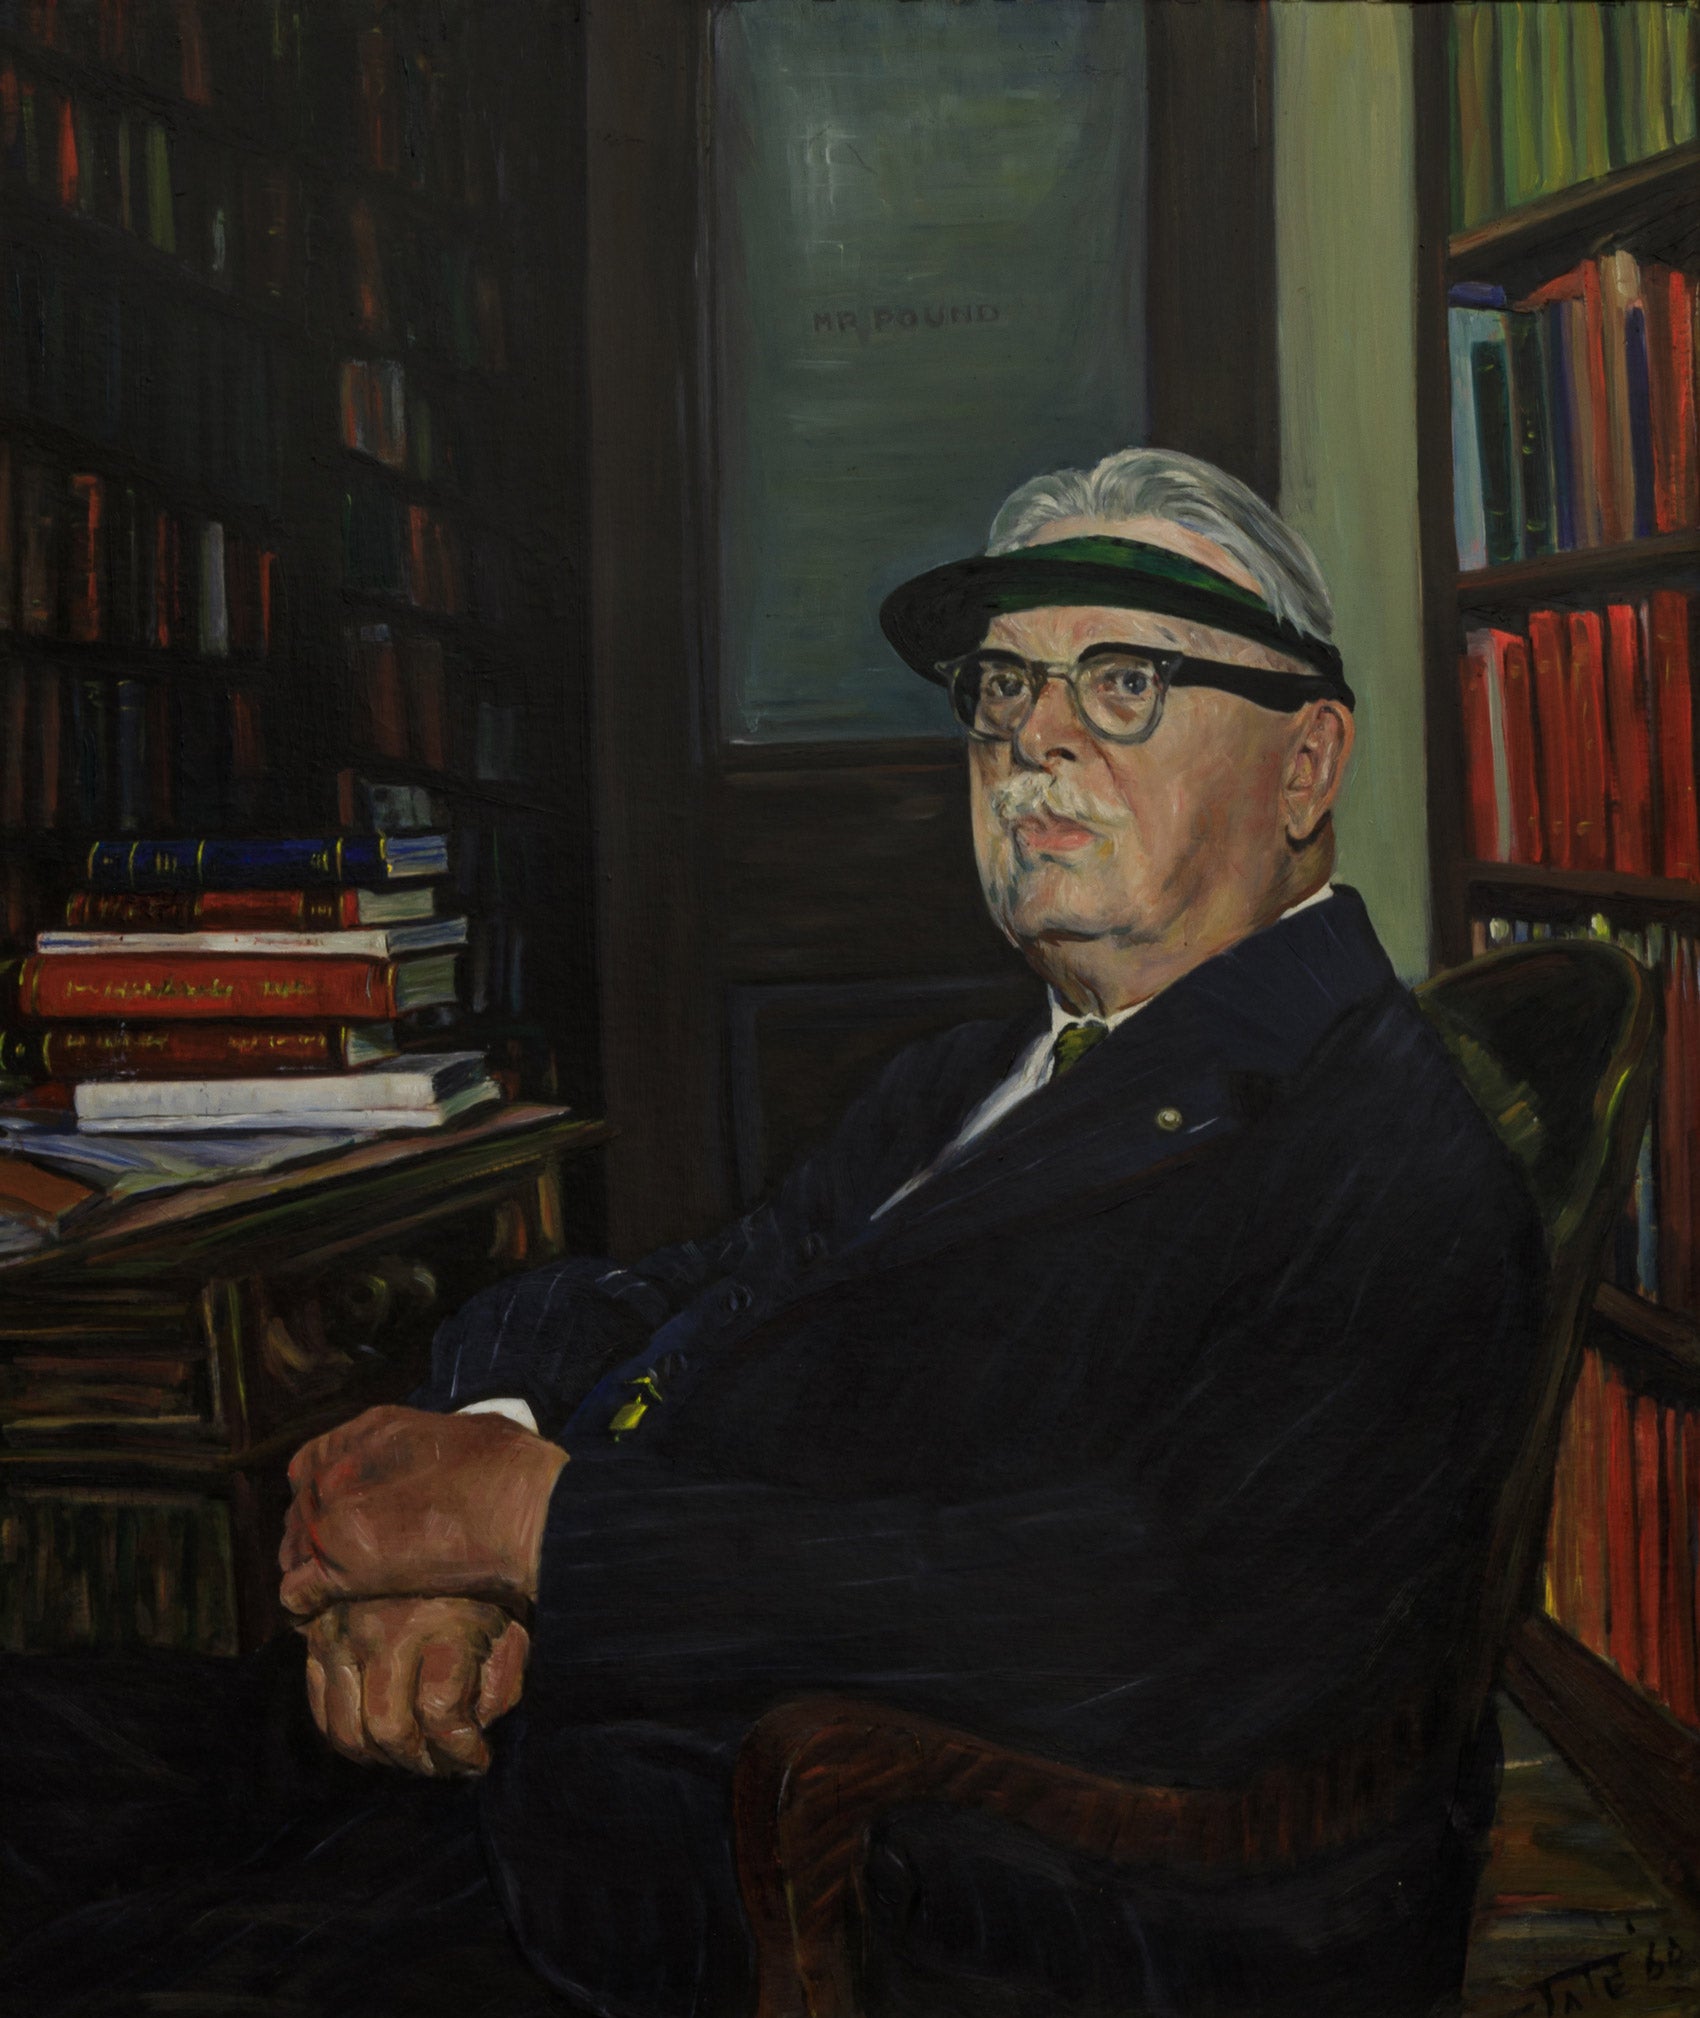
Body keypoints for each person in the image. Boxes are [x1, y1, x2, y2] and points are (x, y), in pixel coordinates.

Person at [3, 450, 1545, 2018]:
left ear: (1308, 764)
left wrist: (543, 1535)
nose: (1035, 740)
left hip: (865, 1897)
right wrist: (468, 1486)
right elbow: (677, 1296)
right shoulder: (969, 1074)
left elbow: (1150, 1610)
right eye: (1002, 687)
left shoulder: (1377, 1142)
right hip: (573, 1744)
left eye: (1126, 682)